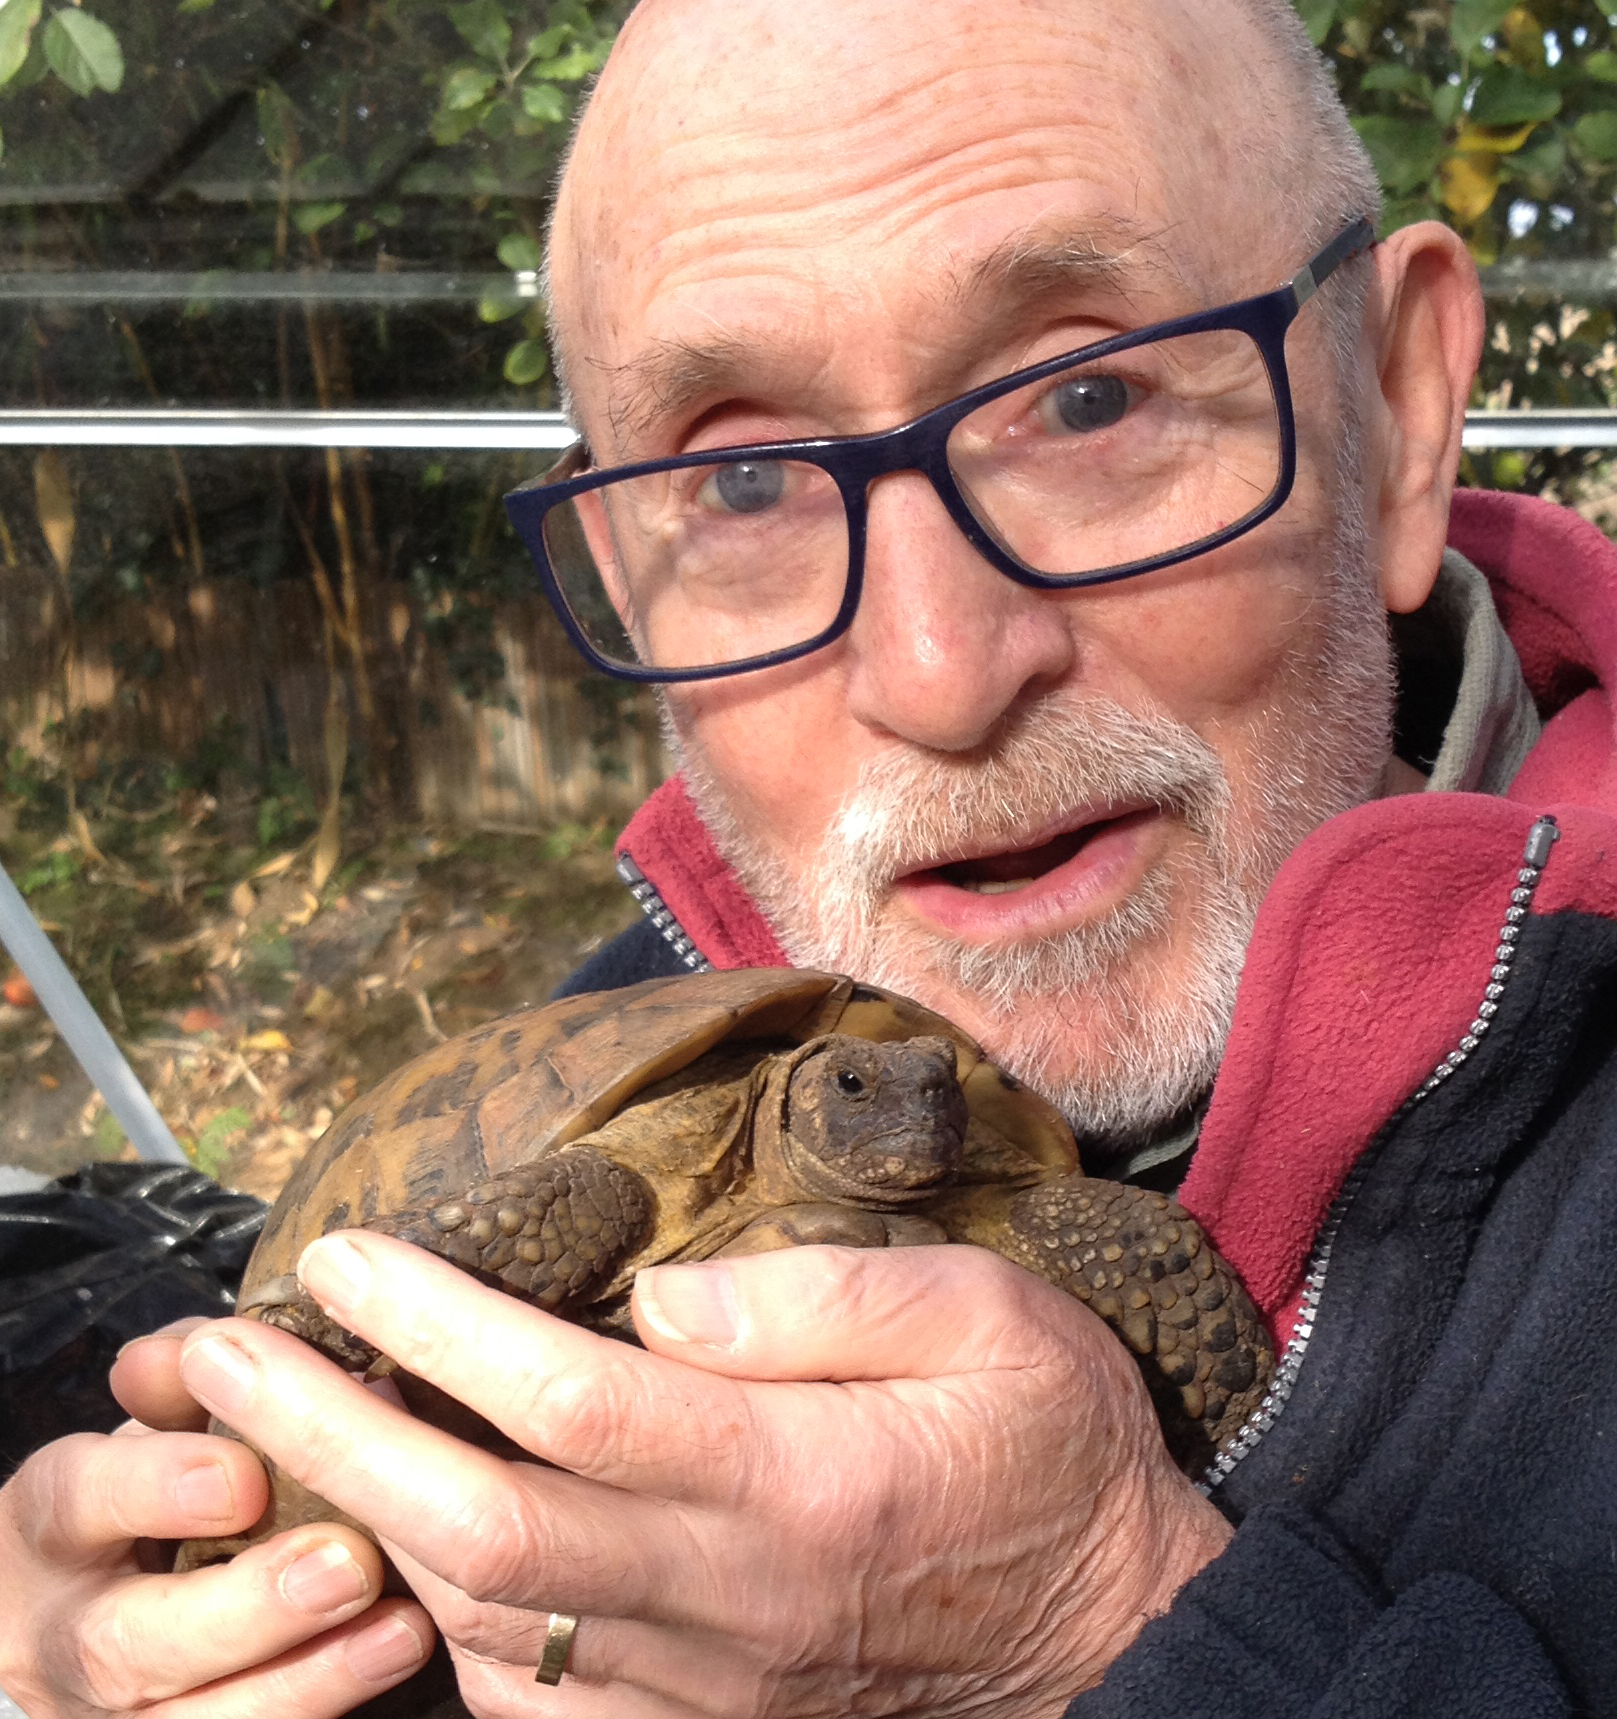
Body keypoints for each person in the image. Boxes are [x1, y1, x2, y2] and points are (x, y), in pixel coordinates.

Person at [3, 0, 1616, 1713]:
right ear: (628, 576)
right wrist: (141, 1641)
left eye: (1086, 397)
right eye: (749, 484)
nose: (938, 674)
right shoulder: (643, 1020)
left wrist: (1101, 1630)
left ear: (1397, 412)